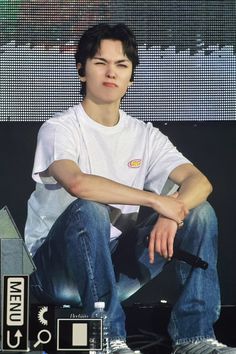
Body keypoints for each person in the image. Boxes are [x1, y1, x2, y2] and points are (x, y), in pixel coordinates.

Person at [25, 23, 236, 354]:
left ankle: (194, 337)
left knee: (199, 212)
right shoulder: (59, 128)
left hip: (114, 266)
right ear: (81, 70)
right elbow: (78, 183)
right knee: (90, 209)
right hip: (54, 272)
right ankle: (108, 337)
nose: (111, 73)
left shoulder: (145, 135)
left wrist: (174, 211)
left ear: (131, 78)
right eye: (100, 63)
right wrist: (157, 201)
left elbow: (200, 182)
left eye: (121, 65)